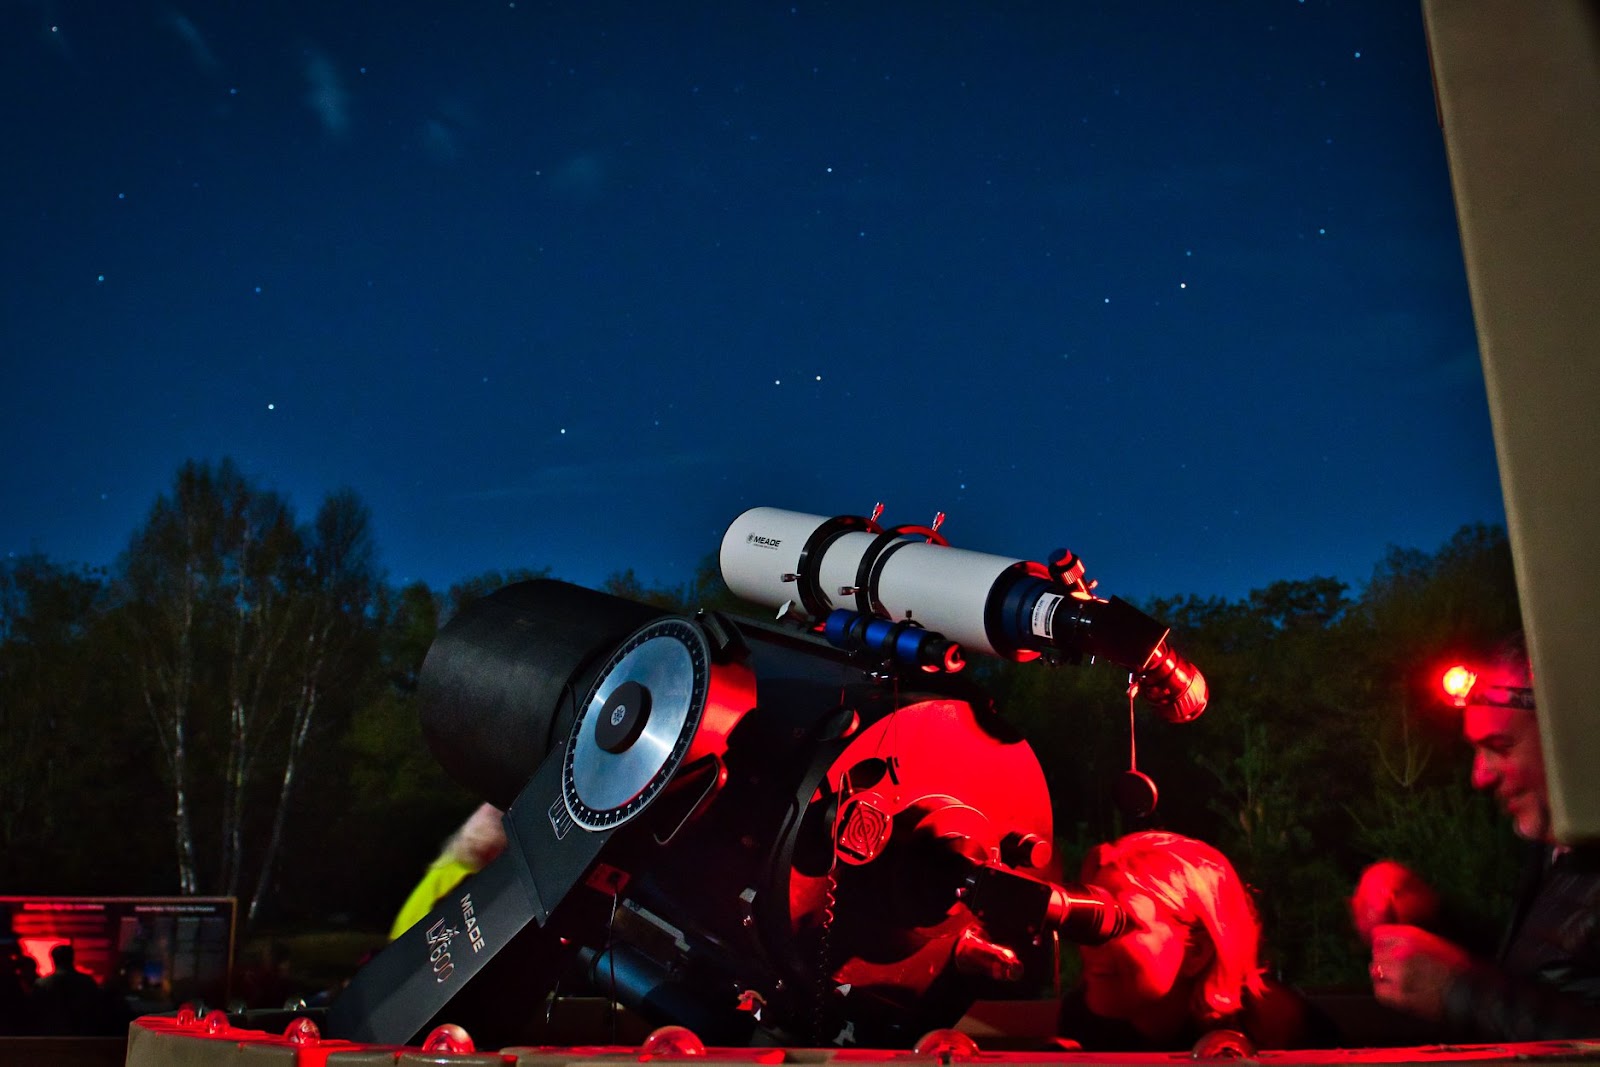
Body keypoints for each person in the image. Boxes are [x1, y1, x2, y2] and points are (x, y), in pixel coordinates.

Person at [1353, 632, 1600, 1040]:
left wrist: (1458, 991)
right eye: (1476, 750)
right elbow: (1541, 977)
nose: (1479, 776)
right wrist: (1429, 917)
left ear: (1570, 736)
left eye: (1499, 746)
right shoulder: (1560, 852)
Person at [1056, 831, 1329, 1051]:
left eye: (1122, 921)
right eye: (1094, 917)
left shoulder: (1280, 1029)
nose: (1091, 940)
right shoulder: (1083, 1022)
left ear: (1197, 951)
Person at [388, 802, 508, 940]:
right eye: (502, 849)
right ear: (491, 849)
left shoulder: (448, 863)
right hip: (418, 948)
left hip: (401, 943)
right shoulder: (468, 881)